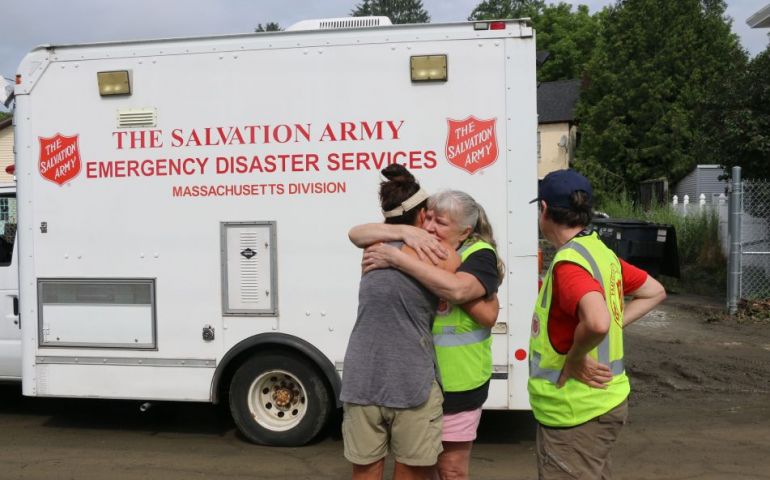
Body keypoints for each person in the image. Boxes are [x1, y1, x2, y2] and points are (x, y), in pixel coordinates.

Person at [341, 166, 496, 480]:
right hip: (412, 380)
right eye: (432, 218)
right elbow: (486, 310)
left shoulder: (372, 248)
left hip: (361, 375)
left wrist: (399, 244)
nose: (433, 226)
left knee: (365, 471)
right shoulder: (441, 254)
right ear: (422, 214)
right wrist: (409, 238)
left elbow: (356, 233)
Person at [528, 169, 667, 479]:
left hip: (577, 410)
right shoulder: (599, 253)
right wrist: (615, 322)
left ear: (545, 210)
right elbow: (654, 291)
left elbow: (598, 322)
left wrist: (576, 357)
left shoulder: (569, 264)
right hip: (605, 401)